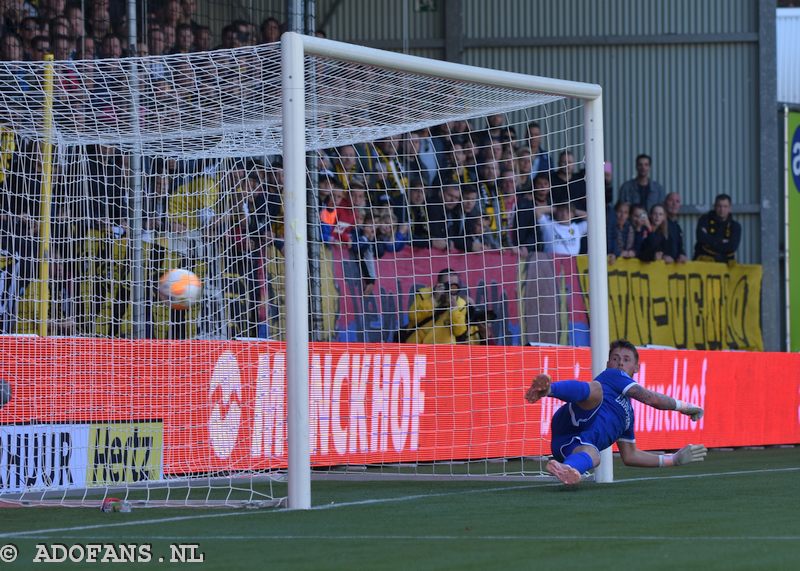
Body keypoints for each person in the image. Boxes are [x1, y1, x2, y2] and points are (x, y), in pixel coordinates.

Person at [525, 339, 707, 486]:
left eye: (626, 359)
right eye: (615, 358)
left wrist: (673, 459)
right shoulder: (613, 375)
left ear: (636, 368)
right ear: (608, 363)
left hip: (567, 447)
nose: (620, 362)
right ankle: (548, 390)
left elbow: (630, 456)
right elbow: (652, 399)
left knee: (595, 456)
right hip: (573, 420)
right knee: (596, 390)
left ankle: (566, 468)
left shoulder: (627, 417)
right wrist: (685, 407)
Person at [399, 268, 468, 344]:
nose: (450, 289)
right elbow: (413, 317)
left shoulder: (461, 304)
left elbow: (459, 331)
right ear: (438, 284)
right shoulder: (423, 294)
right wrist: (433, 300)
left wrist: (454, 308)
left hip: (443, 349)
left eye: (454, 286)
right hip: (418, 345)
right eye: (447, 285)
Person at [693, 193, 741, 263]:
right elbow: (701, 238)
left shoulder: (735, 226)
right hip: (704, 263)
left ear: (730, 208)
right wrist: (722, 241)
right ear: (714, 206)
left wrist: (710, 241)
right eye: (719, 206)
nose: (722, 209)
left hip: (725, 265)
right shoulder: (704, 220)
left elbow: (732, 246)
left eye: (725, 206)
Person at [664, 191, 688, 263]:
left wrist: (682, 255)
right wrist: (663, 256)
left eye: (677, 201)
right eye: (671, 200)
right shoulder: (658, 223)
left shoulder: (677, 227)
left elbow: (679, 247)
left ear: (679, 206)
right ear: (665, 204)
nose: (674, 204)